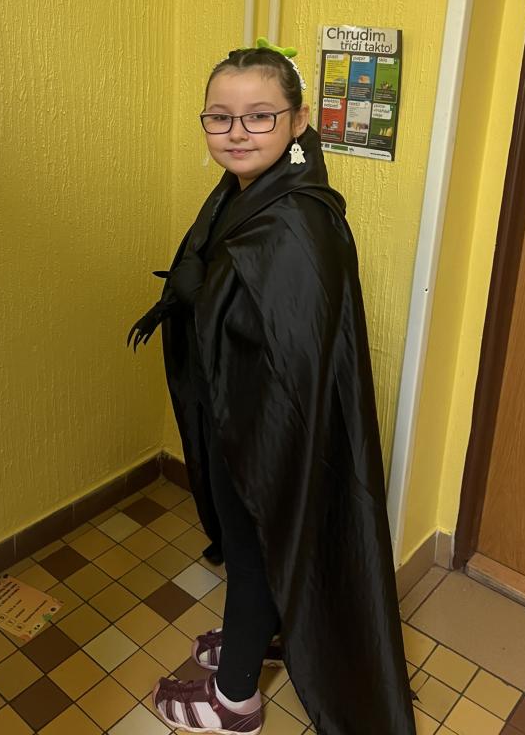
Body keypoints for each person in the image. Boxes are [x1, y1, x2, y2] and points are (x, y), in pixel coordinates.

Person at [128, 43, 416, 735]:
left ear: (298, 120)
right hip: (244, 407)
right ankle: (254, 638)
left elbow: (287, 343)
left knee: (256, 543)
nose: (236, 132)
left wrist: (202, 292)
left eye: (259, 116)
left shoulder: (297, 220)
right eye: (219, 116)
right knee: (254, 540)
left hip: (266, 423)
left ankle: (233, 700)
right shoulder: (249, 192)